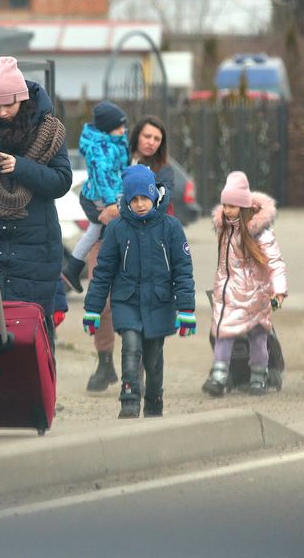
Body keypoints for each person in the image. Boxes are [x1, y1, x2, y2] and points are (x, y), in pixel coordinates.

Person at [0, 57, 72, 350]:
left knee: (35, 332)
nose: (1, 112)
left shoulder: (50, 130)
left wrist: (21, 167)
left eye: (8, 105)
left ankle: (39, 394)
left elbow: (61, 181)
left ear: (22, 98)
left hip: (36, 244)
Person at [83, 165, 196, 418]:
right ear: (127, 200)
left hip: (159, 302)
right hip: (128, 301)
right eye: (134, 199)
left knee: (154, 357)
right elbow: (103, 273)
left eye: (145, 197)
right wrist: (93, 309)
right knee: (131, 346)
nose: (140, 204)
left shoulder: (171, 228)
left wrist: (186, 308)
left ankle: (154, 401)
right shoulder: (117, 229)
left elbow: (183, 270)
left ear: (155, 195)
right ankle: (129, 400)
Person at [84, 115, 175, 392]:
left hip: (145, 245)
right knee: (101, 301)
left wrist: (117, 209)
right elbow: (91, 195)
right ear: (136, 136)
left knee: (140, 302)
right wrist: (102, 212)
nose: (151, 142)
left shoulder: (164, 170)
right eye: (147, 136)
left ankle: (136, 366)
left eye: (157, 139)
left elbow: (161, 201)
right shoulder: (116, 156)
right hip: (104, 239)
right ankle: (104, 361)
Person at [203, 171, 287, 397]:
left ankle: (259, 375)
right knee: (223, 333)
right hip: (229, 293)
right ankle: (219, 374)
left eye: (232, 206)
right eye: (225, 205)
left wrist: (279, 291)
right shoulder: (225, 228)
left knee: (258, 338)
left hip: (256, 295)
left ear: (243, 206)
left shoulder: (259, 232)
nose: (227, 210)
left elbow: (275, 262)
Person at [61, 100, 129, 293]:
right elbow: (103, 177)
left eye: (123, 126)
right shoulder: (100, 148)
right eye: (118, 127)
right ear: (107, 129)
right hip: (100, 196)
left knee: (94, 231)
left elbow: (121, 171)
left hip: (110, 193)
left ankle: (72, 268)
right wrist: (111, 204)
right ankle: (101, 273)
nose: (123, 130)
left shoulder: (115, 142)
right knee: (108, 230)